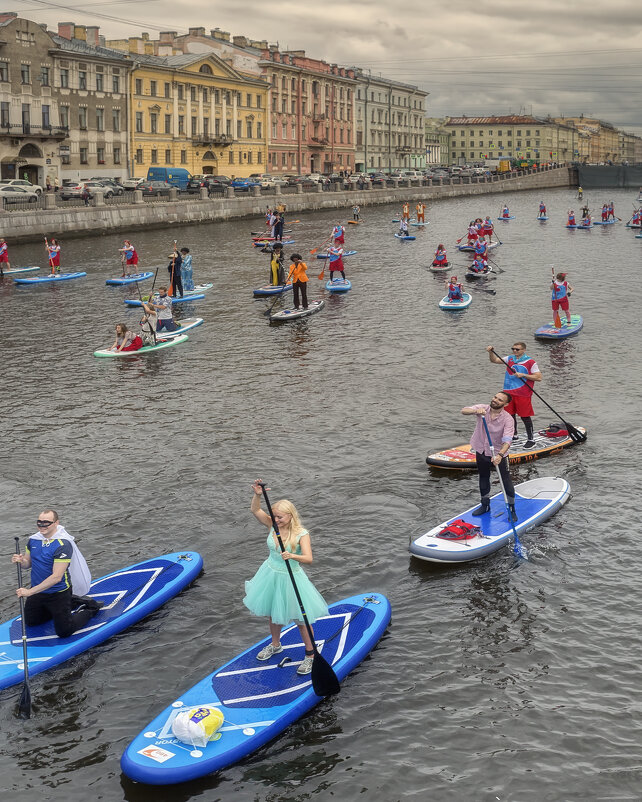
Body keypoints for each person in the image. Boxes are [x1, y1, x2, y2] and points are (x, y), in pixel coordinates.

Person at [244, 480, 329, 676]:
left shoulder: (301, 534)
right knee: (274, 613)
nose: (276, 519)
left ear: (291, 516)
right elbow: (255, 511)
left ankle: (310, 655)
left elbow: (309, 558)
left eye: (280, 517)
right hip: (270, 574)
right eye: (273, 516)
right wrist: (257, 495)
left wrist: (292, 555)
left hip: (291, 577)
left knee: (301, 619)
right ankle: (275, 645)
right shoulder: (272, 525)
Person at [12, 510, 102, 639]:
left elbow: (56, 577)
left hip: (58, 592)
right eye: (39, 522)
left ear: (56, 523)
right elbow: (28, 564)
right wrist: (21, 561)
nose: (42, 525)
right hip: (39, 591)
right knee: (31, 622)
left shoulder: (63, 544)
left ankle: (90, 609)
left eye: (46, 522)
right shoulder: (33, 540)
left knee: (64, 631)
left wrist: (29, 592)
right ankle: (68, 604)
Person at [461, 392, 517, 521]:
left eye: (500, 400)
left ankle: (512, 509)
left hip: (499, 453)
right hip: (481, 450)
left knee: (505, 480)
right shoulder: (483, 409)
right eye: (495, 397)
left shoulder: (508, 419)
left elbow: (507, 440)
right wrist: (474, 411)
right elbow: (464, 410)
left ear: (505, 404)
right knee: (484, 476)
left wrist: (500, 455)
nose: (495, 400)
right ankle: (485, 505)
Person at [487, 342, 542, 448]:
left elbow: (539, 377)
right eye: (513, 349)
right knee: (510, 416)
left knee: (525, 417)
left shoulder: (530, 362)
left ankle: (531, 439)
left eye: (517, 349)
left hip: (523, 394)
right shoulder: (510, 359)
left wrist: (524, 375)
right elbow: (494, 360)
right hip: (508, 394)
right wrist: (490, 352)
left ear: (524, 350)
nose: (515, 351)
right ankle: (514, 435)